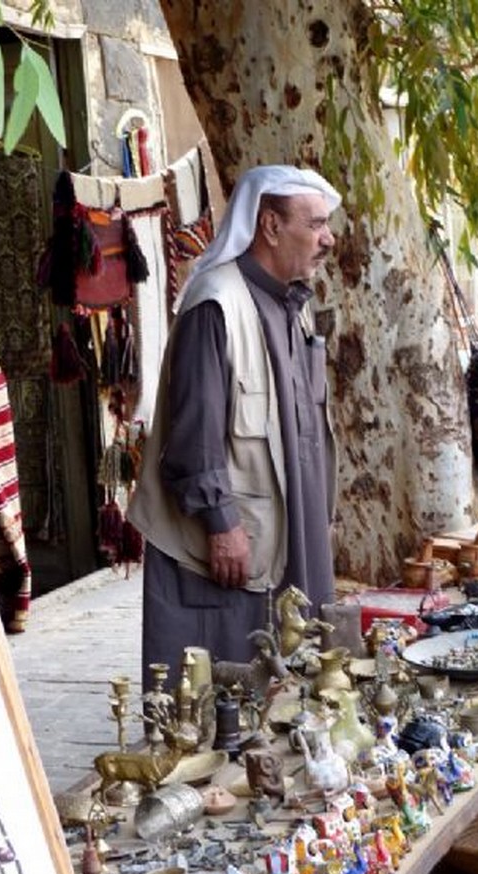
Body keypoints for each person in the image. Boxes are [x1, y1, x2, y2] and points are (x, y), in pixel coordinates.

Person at [127, 165, 341, 690]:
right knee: (220, 698)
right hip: (229, 545)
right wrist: (222, 525)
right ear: (269, 225)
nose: (328, 239)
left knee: (290, 687)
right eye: (315, 225)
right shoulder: (215, 305)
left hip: (289, 536)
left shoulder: (294, 304)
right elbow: (193, 437)